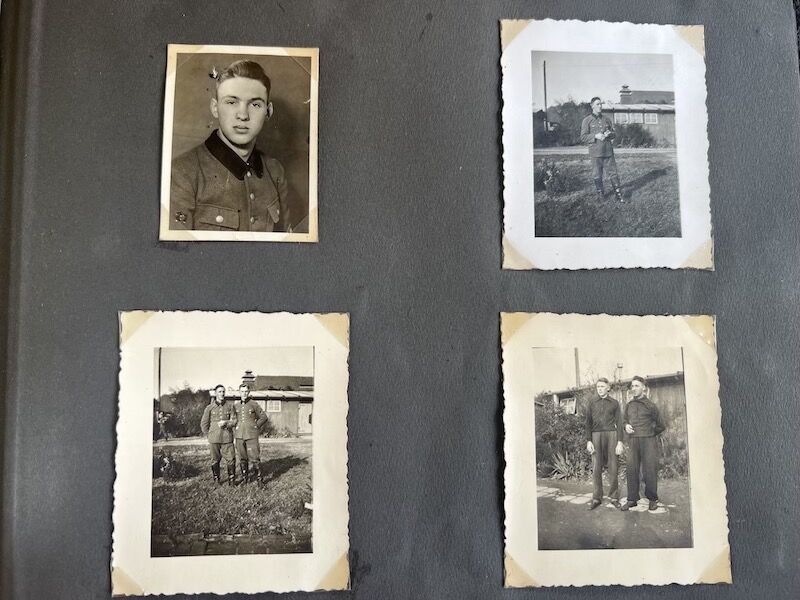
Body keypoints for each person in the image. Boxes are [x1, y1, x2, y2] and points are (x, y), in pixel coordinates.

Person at [170, 59, 291, 232]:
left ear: (268, 111)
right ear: (215, 108)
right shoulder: (182, 174)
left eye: (255, 104)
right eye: (231, 102)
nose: (243, 115)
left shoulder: (275, 171)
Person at [620, 376, 667, 512]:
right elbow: (624, 421)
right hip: (633, 440)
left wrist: (650, 433)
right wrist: (626, 426)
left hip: (648, 440)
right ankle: (632, 499)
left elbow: (661, 425)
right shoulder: (629, 405)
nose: (634, 388)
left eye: (637, 386)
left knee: (649, 470)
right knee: (631, 469)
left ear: (643, 388)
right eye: (632, 386)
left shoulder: (650, 405)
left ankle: (652, 499)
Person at [585, 377, 625, 510]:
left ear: (608, 387)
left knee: (613, 466)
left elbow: (619, 423)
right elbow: (588, 423)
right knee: (596, 467)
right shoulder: (592, 402)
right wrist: (588, 440)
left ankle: (614, 497)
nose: (600, 389)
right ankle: (597, 497)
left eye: (602, 386)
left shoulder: (614, 403)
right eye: (598, 387)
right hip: (596, 435)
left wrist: (620, 442)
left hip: (611, 435)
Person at [579, 97, 623, 202]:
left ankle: (618, 194)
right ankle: (601, 194)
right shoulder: (587, 120)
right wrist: (595, 136)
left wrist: (610, 134)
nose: (600, 106)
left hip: (608, 151)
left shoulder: (606, 119)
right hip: (595, 152)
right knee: (597, 174)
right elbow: (583, 137)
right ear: (592, 106)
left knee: (613, 172)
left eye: (601, 104)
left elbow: (614, 134)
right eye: (597, 104)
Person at [200, 384, 237, 485]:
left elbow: (234, 421)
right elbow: (204, 424)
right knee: (214, 460)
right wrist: (209, 435)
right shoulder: (209, 408)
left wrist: (226, 423)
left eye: (223, 392)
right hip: (214, 439)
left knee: (231, 459)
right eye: (219, 392)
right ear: (215, 393)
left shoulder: (230, 406)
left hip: (227, 438)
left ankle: (232, 481)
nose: (222, 394)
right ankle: (217, 480)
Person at [233, 383, 268, 483]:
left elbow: (264, 417)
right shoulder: (236, 406)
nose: (244, 394)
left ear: (248, 392)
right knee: (242, 458)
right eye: (242, 391)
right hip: (239, 435)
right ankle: (245, 478)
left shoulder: (254, 404)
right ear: (239, 392)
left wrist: (256, 426)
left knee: (255, 458)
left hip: (251, 435)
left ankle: (259, 479)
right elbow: (234, 419)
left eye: (246, 392)